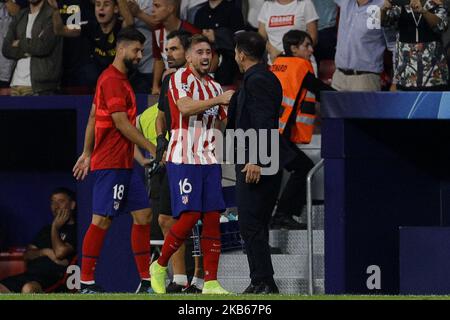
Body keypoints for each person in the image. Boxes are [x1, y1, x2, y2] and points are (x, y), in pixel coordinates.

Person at [73, 27, 157, 294]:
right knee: (101, 220)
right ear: (121, 48)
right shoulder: (111, 80)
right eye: (136, 49)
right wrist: (153, 149)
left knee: (143, 216)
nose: (139, 55)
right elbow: (121, 123)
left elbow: (92, 117)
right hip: (110, 163)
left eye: (141, 50)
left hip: (124, 163)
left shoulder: (117, 79)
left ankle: (145, 281)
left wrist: (86, 152)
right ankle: (86, 282)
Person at [149, 34, 234, 295]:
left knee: (211, 217)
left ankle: (210, 282)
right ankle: (160, 265)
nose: (206, 57)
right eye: (199, 52)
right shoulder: (178, 80)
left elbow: (221, 122)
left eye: (208, 52)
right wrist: (218, 102)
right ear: (188, 56)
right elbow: (184, 108)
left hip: (208, 159)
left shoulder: (215, 86)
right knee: (189, 215)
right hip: (183, 157)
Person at [227, 31, 282, 294]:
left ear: (241, 54)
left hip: (256, 162)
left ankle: (263, 281)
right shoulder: (257, 77)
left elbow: (263, 121)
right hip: (255, 159)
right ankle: (263, 281)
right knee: (253, 224)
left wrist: (256, 160)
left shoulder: (258, 79)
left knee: (250, 222)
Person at [270, 30, 334, 229]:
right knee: (303, 167)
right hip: (277, 133)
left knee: (289, 170)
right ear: (293, 48)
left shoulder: (278, 64)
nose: (311, 50)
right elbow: (320, 89)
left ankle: (280, 215)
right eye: (306, 45)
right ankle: (282, 214)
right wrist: (349, 100)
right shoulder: (299, 66)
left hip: (272, 131)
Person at [0, 188, 77, 293]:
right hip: (30, 275)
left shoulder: (75, 230)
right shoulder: (45, 230)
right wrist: (45, 252)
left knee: (28, 289)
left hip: (52, 278)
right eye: (53, 202)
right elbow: (27, 255)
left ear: (72, 205)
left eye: (61, 201)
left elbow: (60, 253)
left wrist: (55, 227)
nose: (56, 207)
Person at [49, 0, 134, 90]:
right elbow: (60, 30)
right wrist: (55, 10)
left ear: (115, 9)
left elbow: (130, 22)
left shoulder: (120, 27)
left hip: (119, 83)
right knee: (88, 72)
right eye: (98, 5)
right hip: (97, 82)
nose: (101, 8)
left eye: (106, 4)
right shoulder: (90, 26)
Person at [381, 0, 448, 91]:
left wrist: (423, 11)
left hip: (434, 76)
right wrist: (383, 10)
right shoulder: (400, 5)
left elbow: (441, 25)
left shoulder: (435, 3)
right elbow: (384, 22)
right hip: (406, 76)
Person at [2, 0, 63, 96]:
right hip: (15, 84)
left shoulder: (52, 15)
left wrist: (20, 42)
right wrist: (29, 49)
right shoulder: (21, 15)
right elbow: (6, 49)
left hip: (40, 86)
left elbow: (43, 47)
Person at [332, 0, 387, 91]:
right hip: (338, 78)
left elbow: (393, 45)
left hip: (365, 79)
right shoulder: (346, 2)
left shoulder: (382, 6)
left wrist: (395, 81)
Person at [150, 0, 201, 95]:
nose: (152, 10)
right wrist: (155, 86)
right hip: (168, 82)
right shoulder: (156, 30)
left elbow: (206, 59)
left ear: (170, 8)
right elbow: (158, 59)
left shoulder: (191, 32)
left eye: (157, 6)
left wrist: (178, 70)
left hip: (191, 82)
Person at [194, 0, 245, 85]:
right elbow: (193, 42)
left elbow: (241, 42)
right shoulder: (200, 13)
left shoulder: (233, 10)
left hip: (228, 70)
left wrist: (217, 36)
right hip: (202, 68)